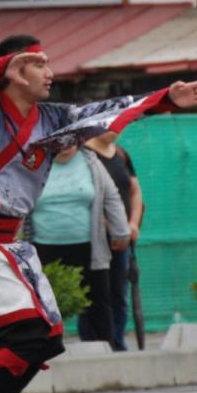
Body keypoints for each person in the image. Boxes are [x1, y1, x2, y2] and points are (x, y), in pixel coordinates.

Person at [0, 34, 197, 393]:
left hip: (10, 245)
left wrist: (164, 98)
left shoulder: (55, 118)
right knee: (26, 336)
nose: (50, 72)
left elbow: (106, 113)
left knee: (46, 338)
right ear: (14, 70)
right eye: (38, 63)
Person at [26, 145, 129, 345]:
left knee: (98, 303)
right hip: (43, 248)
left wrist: (121, 231)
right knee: (42, 304)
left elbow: (112, 197)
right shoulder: (33, 164)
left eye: (70, 142)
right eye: (59, 142)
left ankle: (103, 353)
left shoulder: (91, 161)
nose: (64, 148)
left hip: (88, 247)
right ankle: (42, 351)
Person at [83, 131, 143, 351]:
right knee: (95, 294)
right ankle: (94, 344)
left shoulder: (121, 154)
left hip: (123, 239)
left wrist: (133, 224)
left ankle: (117, 343)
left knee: (119, 293)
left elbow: (135, 191)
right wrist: (116, 226)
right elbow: (88, 196)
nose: (115, 129)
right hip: (94, 238)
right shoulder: (85, 155)